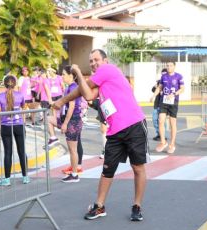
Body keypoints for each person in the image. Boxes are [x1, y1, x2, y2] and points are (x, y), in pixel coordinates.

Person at [52, 49, 147, 221]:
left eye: (96, 59)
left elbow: (85, 88)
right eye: (90, 61)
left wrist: (77, 74)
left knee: (137, 168)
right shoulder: (102, 83)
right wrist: (67, 95)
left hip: (134, 125)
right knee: (107, 170)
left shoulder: (108, 69)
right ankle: (99, 206)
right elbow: (87, 94)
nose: (94, 63)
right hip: (115, 131)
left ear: (105, 60)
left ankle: (137, 206)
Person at [47, 65, 83, 182]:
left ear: (71, 76)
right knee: (49, 119)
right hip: (69, 120)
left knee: (73, 150)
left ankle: (74, 174)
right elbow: (64, 104)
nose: (61, 76)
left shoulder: (73, 88)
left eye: (63, 74)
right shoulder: (69, 87)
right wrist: (53, 103)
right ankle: (53, 138)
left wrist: (65, 124)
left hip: (73, 121)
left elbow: (71, 107)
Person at [0, 75, 30, 186]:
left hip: (5, 127)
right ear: (15, 84)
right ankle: (25, 177)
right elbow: (24, 108)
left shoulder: (0, 96)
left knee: (8, 153)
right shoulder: (20, 95)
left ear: (4, 84)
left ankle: (7, 180)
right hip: (19, 125)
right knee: (22, 151)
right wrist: (23, 123)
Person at [153, 62, 184, 154]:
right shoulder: (163, 76)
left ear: (174, 66)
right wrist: (153, 96)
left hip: (173, 102)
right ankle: (163, 142)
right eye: (167, 66)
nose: (169, 67)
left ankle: (172, 144)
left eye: (171, 66)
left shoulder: (179, 76)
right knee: (160, 120)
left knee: (172, 123)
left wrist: (174, 94)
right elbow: (159, 87)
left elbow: (182, 89)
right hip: (164, 101)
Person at [150, 68, 167, 141]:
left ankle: (162, 135)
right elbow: (153, 90)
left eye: (164, 74)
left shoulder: (168, 83)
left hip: (163, 104)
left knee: (162, 121)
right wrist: (156, 85)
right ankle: (158, 134)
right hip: (156, 104)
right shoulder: (159, 82)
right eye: (162, 74)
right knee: (154, 120)